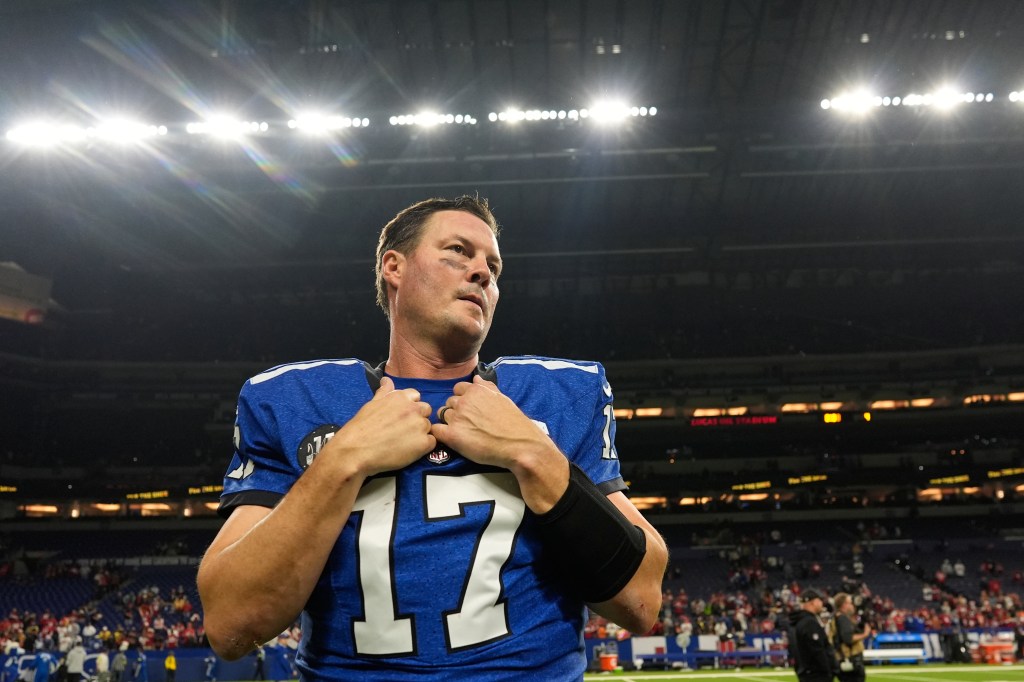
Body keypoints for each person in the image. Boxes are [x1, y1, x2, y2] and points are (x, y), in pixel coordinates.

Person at [197, 195, 669, 680]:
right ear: (393, 267)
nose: (482, 272)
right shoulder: (292, 399)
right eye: (458, 251)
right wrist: (343, 461)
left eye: (494, 266)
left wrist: (533, 454)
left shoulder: (561, 394)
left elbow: (639, 601)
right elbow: (232, 625)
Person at [788, 589, 836, 682]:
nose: (822, 603)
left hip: (806, 673)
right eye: (819, 600)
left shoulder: (798, 621)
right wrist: (828, 671)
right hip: (816, 675)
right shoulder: (809, 623)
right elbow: (817, 651)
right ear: (812, 602)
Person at [829, 592, 869, 682]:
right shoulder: (842, 618)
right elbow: (848, 639)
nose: (853, 605)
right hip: (850, 659)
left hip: (842, 659)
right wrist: (865, 634)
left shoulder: (835, 617)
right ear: (844, 605)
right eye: (850, 603)